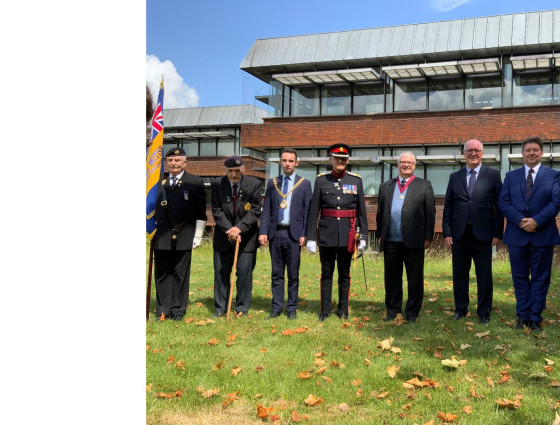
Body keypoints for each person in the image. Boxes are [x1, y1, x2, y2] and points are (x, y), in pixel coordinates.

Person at [498, 137, 560, 331]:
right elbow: (503, 202)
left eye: (535, 150)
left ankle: (535, 317)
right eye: (528, 150)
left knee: (541, 277)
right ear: (523, 154)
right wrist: (520, 221)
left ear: (541, 153)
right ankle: (522, 316)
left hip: (543, 234)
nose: (531, 153)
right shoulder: (511, 176)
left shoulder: (554, 176)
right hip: (517, 234)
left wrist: (536, 221)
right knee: (519, 277)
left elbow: (555, 203)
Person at [442, 139, 504, 325]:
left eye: (477, 150)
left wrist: (497, 233)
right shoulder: (455, 177)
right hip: (459, 234)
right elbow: (448, 207)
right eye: (469, 150)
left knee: (484, 275)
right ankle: (461, 308)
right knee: (459, 274)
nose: (473, 153)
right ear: (464, 153)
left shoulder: (493, 175)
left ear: (482, 153)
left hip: (483, 234)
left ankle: (484, 311)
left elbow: (498, 207)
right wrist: (446, 232)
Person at [306, 143, 368, 322]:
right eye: (337, 158)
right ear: (330, 159)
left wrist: (363, 235)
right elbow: (314, 211)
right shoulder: (321, 180)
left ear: (347, 161)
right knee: (326, 273)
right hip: (326, 234)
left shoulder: (356, 181)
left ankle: (343, 310)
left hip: (347, 235)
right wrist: (311, 237)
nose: (340, 161)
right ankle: (325, 311)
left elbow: (362, 211)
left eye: (344, 159)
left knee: (345, 273)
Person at [376, 152, 435, 323]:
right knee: (392, 278)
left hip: (414, 240)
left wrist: (428, 237)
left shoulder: (424, 185)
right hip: (391, 241)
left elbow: (430, 213)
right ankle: (393, 311)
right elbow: (380, 213)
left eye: (410, 162)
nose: (406, 165)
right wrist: (380, 234)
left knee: (414, 278)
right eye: (403, 162)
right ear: (397, 164)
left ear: (415, 165)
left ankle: (412, 313)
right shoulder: (386, 186)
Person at [154, 147, 207, 321]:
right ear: (166, 163)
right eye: (170, 160)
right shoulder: (157, 182)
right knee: (162, 273)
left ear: (185, 162)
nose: (174, 163)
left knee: (180, 273)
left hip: (185, 234)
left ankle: (177, 310)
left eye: (177, 160)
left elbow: (201, 212)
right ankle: (163, 309)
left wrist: (198, 236)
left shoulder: (195, 182)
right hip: (162, 234)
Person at [259, 148, 313, 320]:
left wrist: (305, 233)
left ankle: (291, 308)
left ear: (296, 163)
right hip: (276, 233)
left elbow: (307, 212)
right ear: (280, 162)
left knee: (293, 274)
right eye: (284, 160)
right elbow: (266, 209)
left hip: (294, 235)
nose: (287, 164)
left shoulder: (304, 184)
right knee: (276, 273)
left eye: (291, 161)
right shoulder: (272, 183)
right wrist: (263, 231)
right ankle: (276, 307)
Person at [211, 156, 263, 317]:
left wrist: (239, 228)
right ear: (225, 171)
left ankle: (241, 308)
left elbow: (255, 210)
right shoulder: (217, 184)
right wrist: (230, 230)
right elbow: (217, 210)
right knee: (221, 273)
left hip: (247, 237)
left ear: (243, 169)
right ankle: (220, 308)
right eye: (230, 171)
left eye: (237, 171)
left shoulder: (254, 184)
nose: (234, 174)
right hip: (223, 236)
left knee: (245, 273)